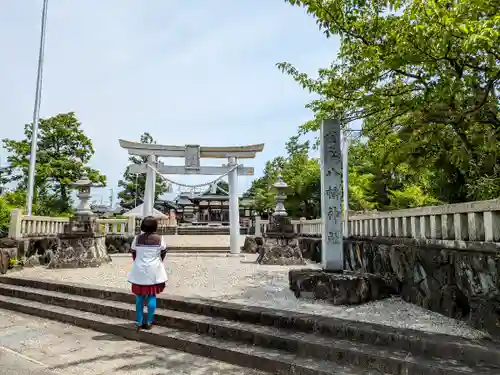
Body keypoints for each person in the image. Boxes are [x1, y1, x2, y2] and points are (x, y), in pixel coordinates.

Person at [127, 216, 167, 331]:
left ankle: (139, 322)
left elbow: (133, 253)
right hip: (154, 270)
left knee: (139, 298)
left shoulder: (137, 238)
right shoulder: (160, 239)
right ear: (155, 226)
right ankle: (149, 322)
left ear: (143, 226)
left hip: (139, 270)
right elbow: (163, 253)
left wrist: (139, 261)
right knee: (151, 296)